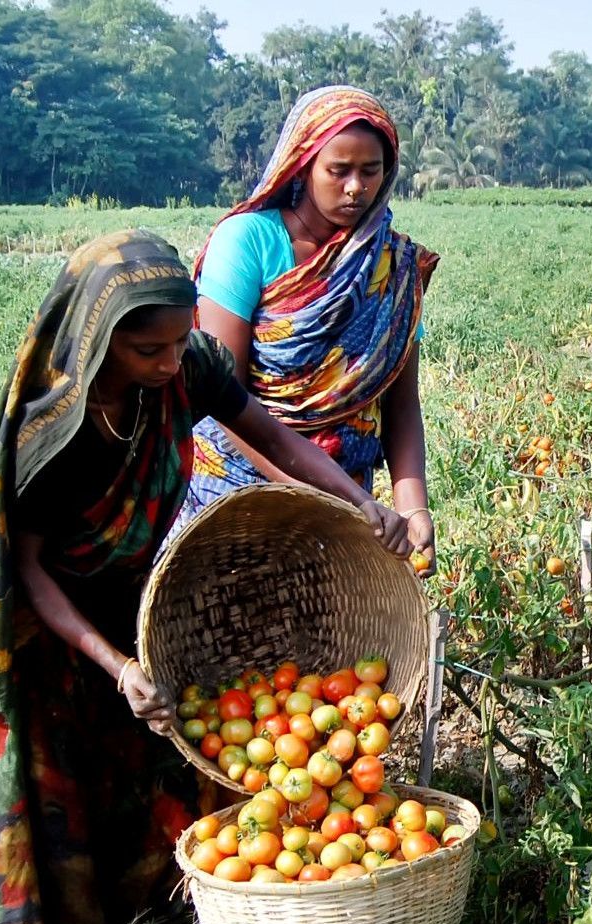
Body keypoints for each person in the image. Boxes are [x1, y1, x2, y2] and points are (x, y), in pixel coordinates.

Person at [0, 230, 411, 924]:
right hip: (49, 623)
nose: (169, 362)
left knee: (158, 753)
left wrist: (357, 503)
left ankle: (157, 907)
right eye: (147, 349)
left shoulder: (191, 366)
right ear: (98, 341)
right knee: (51, 781)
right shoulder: (51, 432)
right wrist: (114, 662)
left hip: (138, 593)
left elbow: (269, 435)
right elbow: (32, 569)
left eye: (176, 340)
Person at [181, 85, 437, 570]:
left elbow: (401, 402)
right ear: (302, 165)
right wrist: (302, 494)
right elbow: (224, 397)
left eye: (370, 171)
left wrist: (412, 505)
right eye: (338, 171)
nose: (355, 187)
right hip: (240, 483)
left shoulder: (392, 267)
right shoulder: (249, 241)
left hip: (346, 498)